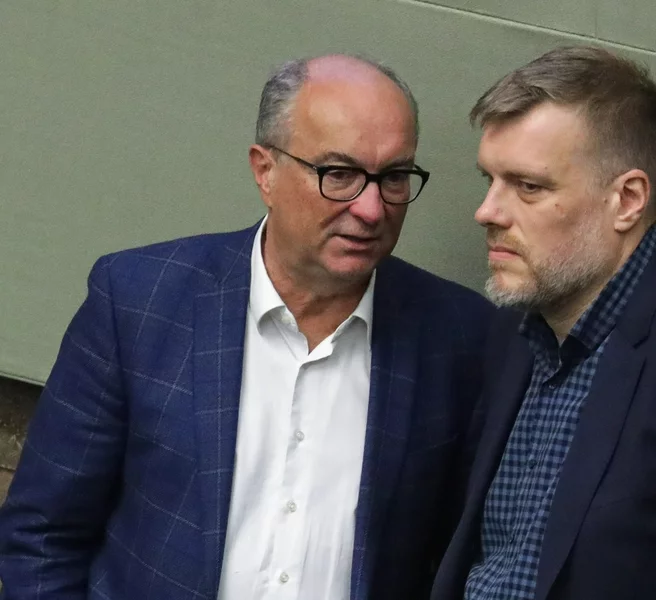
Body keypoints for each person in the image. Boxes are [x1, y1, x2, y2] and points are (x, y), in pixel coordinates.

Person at [0, 54, 494, 600]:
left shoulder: (459, 337)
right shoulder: (141, 302)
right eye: (340, 174)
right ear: (266, 171)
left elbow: (465, 561)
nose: (372, 209)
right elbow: (41, 535)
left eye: (394, 177)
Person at [431, 45, 656, 600]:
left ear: (627, 199)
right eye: (490, 179)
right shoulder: (515, 332)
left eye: (529, 186)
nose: (487, 211)